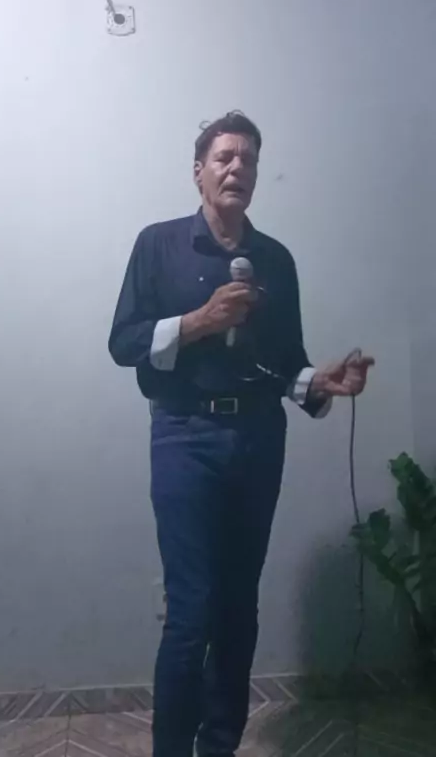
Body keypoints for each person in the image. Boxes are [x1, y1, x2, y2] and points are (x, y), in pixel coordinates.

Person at [108, 111, 374, 757]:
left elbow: (284, 365)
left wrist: (322, 382)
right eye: (225, 157)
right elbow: (124, 344)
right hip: (184, 436)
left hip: (257, 439)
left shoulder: (275, 260)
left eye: (248, 159)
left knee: (237, 606)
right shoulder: (157, 245)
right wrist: (199, 320)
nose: (237, 168)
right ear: (198, 171)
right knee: (190, 609)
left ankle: (219, 745)